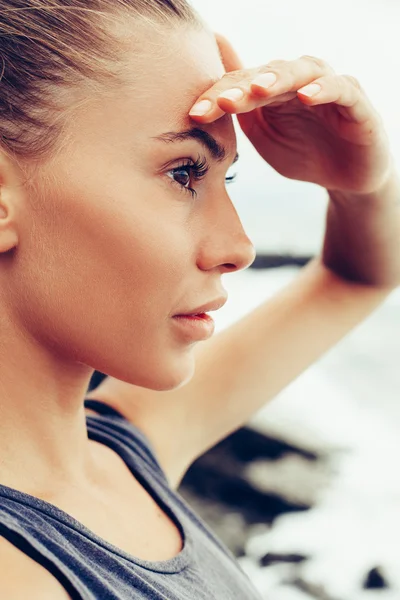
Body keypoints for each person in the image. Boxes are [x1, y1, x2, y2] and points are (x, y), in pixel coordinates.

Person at [0, 0, 399, 598]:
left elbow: (359, 278)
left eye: (226, 178)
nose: (240, 247)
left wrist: (360, 186)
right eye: (185, 172)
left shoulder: (125, 454)